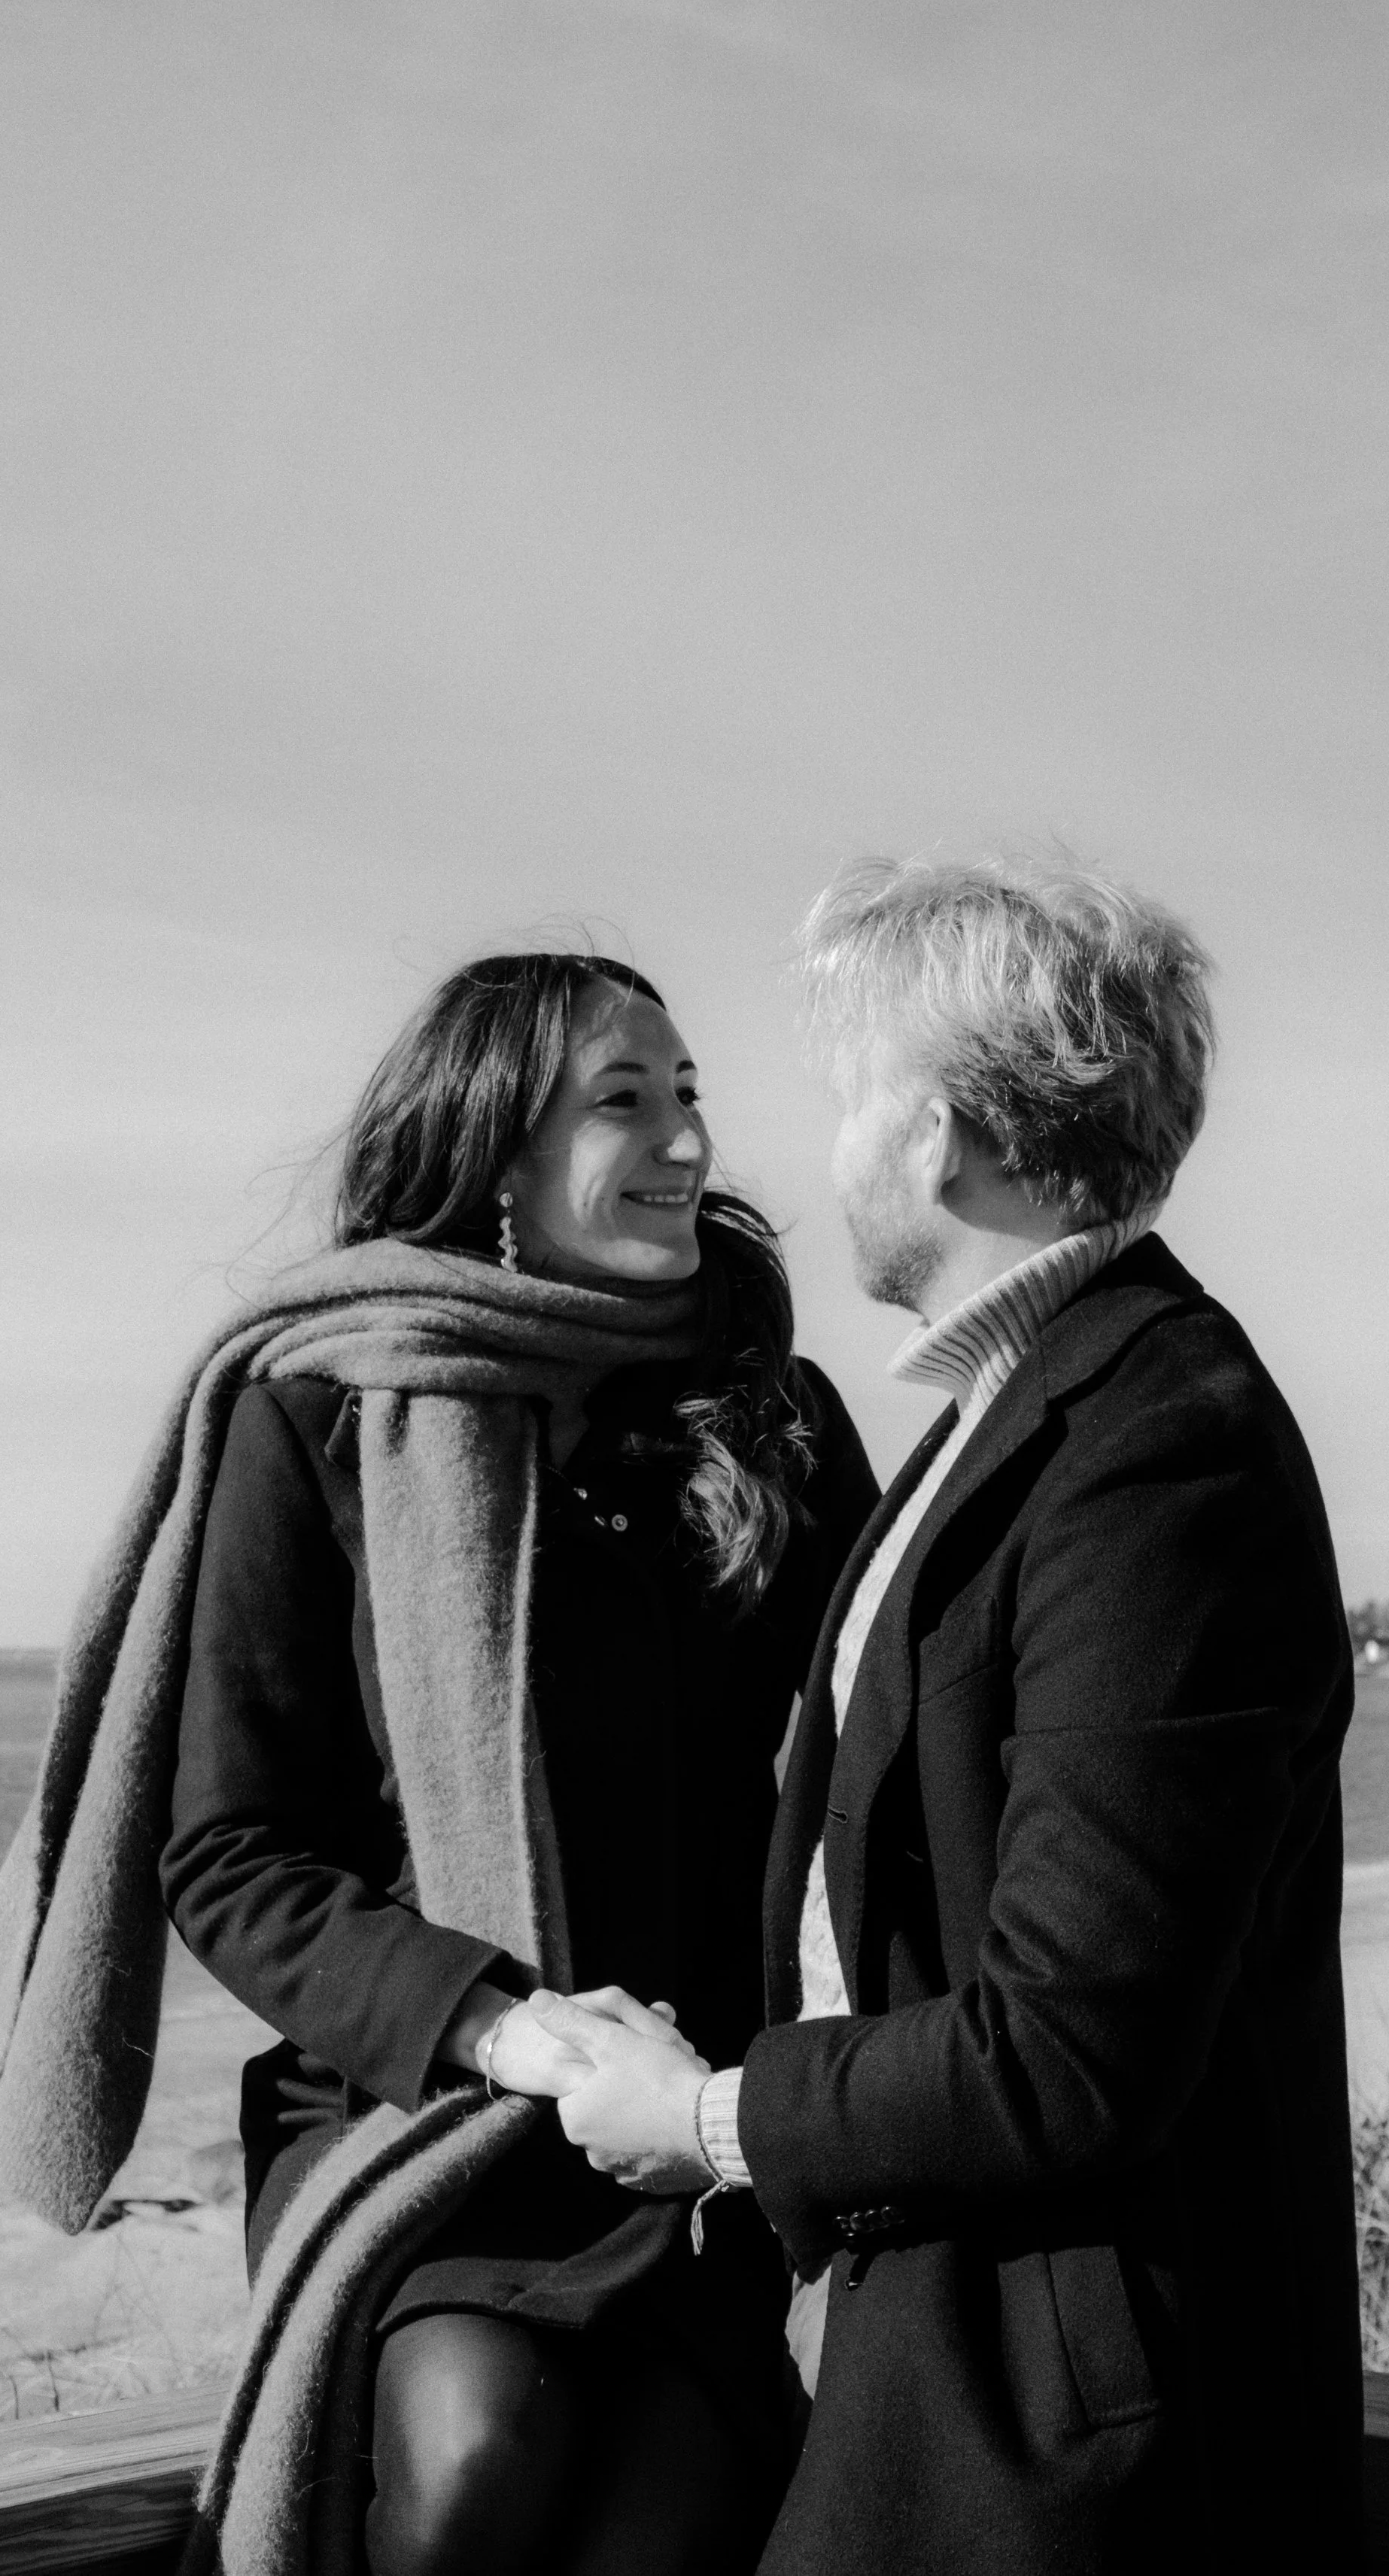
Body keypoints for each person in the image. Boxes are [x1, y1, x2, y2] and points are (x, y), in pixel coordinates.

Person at [543, 857, 1363, 2574]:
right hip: (925, 2345)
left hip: (1057, 2429)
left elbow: (1072, 2044)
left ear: (934, 1137)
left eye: (851, 1098)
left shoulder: (1157, 1445)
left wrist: (705, 2122)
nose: (818, 1147)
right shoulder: (1016, 1409)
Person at [160, 950, 878, 2576]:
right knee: (473, 2460)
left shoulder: (769, 1419)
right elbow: (231, 1856)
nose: (685, 1141)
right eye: (623, 1102)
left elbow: (872, 1764)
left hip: (688, 2124)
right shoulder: (320, 1419)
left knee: (659, 2531)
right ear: (489, 1149)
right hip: (427, 2118)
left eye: (688, 1094)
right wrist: (498, 2029)